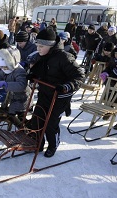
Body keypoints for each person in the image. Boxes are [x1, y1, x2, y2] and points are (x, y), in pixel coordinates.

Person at [27, 28, 85, 157]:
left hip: (60, 97)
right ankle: (38, 143)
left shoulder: (64, 57)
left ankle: (53, 145)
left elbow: (80, 76)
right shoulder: (42, 56)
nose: (38, 48)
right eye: (37, 45)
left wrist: (67, 86)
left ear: (51, 45)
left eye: (41, 46)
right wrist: (32, 76)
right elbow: (41, 71)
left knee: (50, 125)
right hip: (45, 93)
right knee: (37, 120)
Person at [0, 48, 32, 123]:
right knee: (12, 112)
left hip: (23, 98)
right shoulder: (5, 70)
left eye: (5, 67)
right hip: (14, 97)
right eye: (1, 67)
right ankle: (20, 125)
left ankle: (24, 128)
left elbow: (21, 85)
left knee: (18, 115)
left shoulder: (19, 71)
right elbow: (0, 78)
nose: (3, 69)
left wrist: (6, 84)